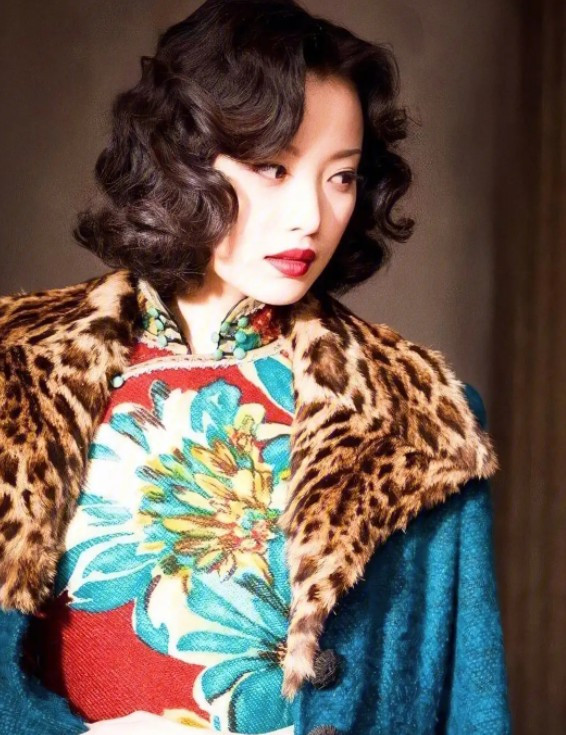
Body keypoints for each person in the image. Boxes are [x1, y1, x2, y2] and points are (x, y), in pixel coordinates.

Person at [0, 1, 512, 734]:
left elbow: (475, 711)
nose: (310, 216)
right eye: (273, 168)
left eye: (341, 176)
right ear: (181, 156)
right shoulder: (16, 372)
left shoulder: (424, 421)